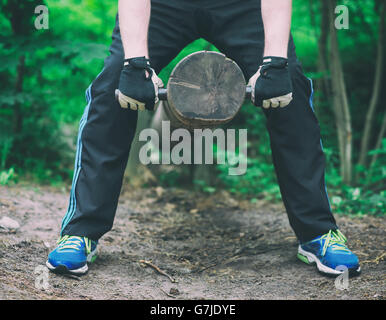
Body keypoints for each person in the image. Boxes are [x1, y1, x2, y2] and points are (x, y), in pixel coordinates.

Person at [46, 0, 360, 277]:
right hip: (162, 5)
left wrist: (275, 62)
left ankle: (318, 232)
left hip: (245, 6)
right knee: (113, 86)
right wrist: (136, 64)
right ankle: (80, 231)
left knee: (289, 86)